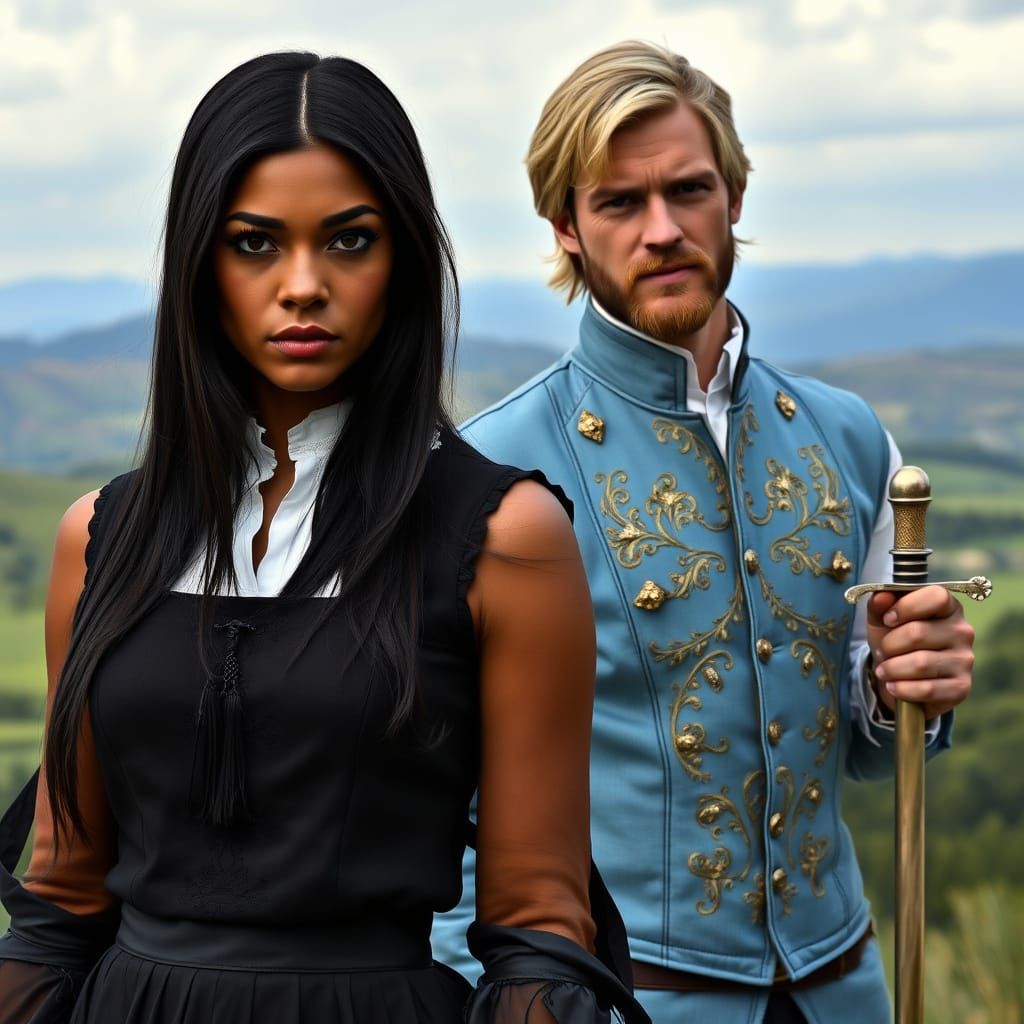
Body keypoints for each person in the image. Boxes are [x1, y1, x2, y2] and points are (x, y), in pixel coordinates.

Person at [0, 52, 648, 1024]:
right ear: (199, 265)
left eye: (349, 240)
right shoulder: (99, 537)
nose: (302, 285)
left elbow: (537, 926)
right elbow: (60, 899)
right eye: (254, 244)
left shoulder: (506, 538)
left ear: (403, 262)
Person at [431, 40, 976, 1024]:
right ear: (564, 227)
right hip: (619, 1003)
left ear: (734, 195)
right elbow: (437, 809)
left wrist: (906, 687)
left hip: (846, 991)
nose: (663, 230)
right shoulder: (490, 472)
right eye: (618, 202)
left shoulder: (851, 439)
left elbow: (863, 741)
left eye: (688, 190)